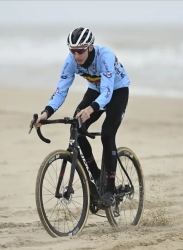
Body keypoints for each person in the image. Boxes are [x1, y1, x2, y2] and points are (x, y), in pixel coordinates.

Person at [34, 27, 130, 207]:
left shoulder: (106, 56)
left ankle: (109, 188)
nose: (76, 55)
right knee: (76, 126)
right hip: (95, 90)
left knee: (107, 133)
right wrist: (46, 113)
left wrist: (91, 109)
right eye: (72, 51)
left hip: (117, 91)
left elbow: (107, 92)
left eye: (80, 51)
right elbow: (61, 90)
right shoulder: (71, 61)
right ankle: (95, 174)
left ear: (90, 47)